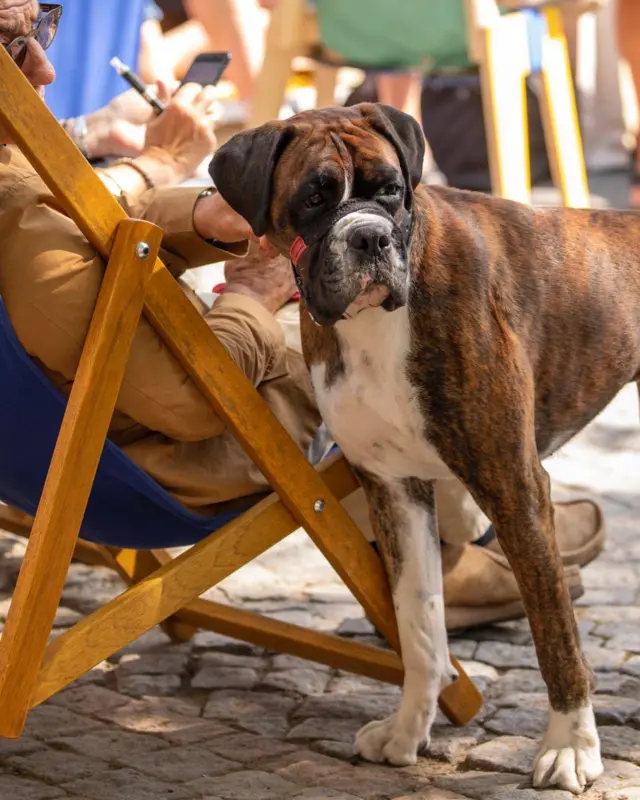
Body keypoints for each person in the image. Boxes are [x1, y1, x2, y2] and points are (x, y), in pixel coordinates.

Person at [0, 1, 604, 631]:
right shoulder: (17, 223)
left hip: (59, 449)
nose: (43, 69)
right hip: (162, 464)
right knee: (379, 322)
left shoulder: (13, 188)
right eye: (13, 47)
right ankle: (476, 541)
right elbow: (189, 402)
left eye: (43, 27)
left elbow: (66, 208)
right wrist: (254, 300)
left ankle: (468, 532)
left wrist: (204, 213)